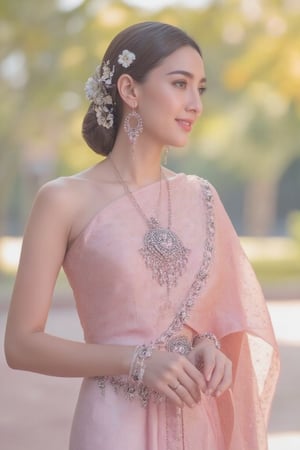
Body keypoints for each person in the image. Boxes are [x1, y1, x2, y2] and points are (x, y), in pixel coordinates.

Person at [5, 21, 279, 450]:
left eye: (200, 89)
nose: (194, 104)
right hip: (114, 427)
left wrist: (210, 348)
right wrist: (136, 362)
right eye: (179, 84)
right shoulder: (63, 200)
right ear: (130, 90)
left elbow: (217, 321)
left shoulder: (200, 197)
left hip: (196, 421)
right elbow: (21, 345)